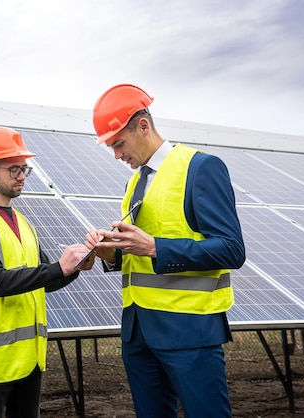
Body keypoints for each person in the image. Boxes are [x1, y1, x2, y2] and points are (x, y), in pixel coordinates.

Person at [84, 84, 246, 418]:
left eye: (118, 143)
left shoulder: (201, 168)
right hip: (138, 333)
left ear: (143, 125)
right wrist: (111, 254)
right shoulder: (135, 181)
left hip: (189, 332)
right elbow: (138, 252)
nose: (116, 155)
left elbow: (232, 249)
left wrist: (156, 247)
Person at [0, 126, 94, 418]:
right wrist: (58, 267)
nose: (21, 176)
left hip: (29, 359)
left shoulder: (25, 223)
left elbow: (47, 281)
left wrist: (75, 268)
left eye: (24, 169)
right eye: (13, 169)